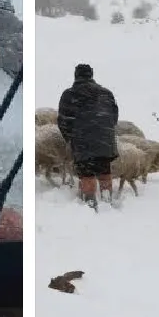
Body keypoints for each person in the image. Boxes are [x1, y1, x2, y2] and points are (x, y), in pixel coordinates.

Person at [57, 64, 119, 210]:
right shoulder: (106, 93)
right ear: (91, 75)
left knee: (87, 175)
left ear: (76, 76)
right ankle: (107, 200)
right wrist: (106, 133)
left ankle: (91, 204)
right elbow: (114, 116)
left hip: (83, 143)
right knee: (104, 172)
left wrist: (70, 139)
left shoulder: (69, 95)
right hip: (105, 141)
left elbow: (63, 120)